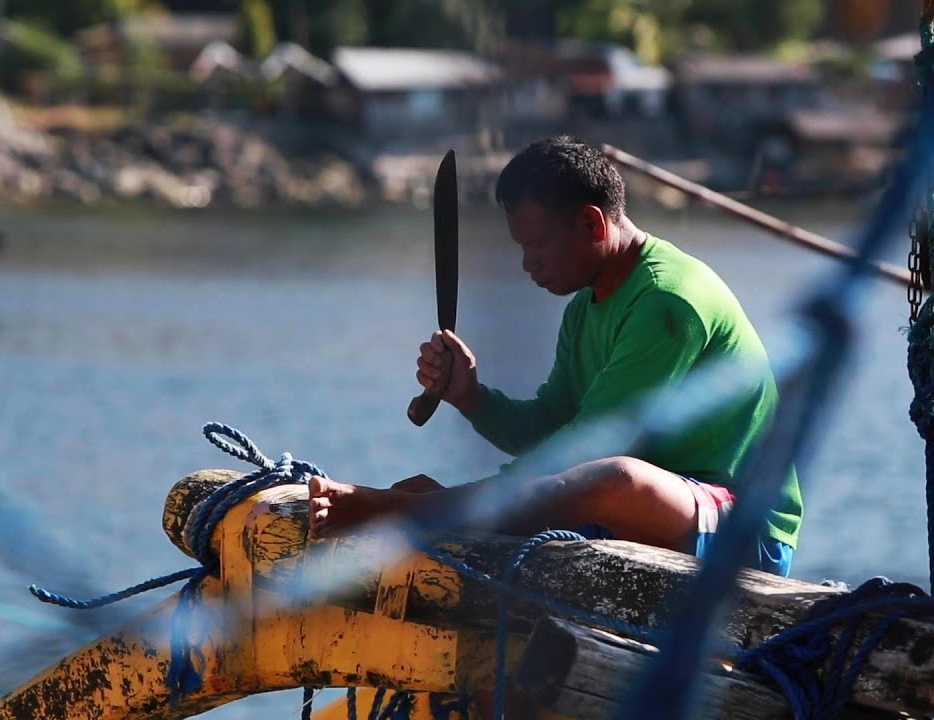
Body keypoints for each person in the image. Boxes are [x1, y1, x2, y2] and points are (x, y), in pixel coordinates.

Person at [307, 135, 802, 578]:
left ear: (591, 223)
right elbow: (549, 433)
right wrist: (473, 397)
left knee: (616, 478)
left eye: (537, 245)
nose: (527, 264)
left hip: (744, 532)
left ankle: (409, 510)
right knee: (596, 480)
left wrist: (430, 504)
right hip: (667, 513)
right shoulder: (586, 307)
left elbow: (583, 460)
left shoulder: (665, 303)